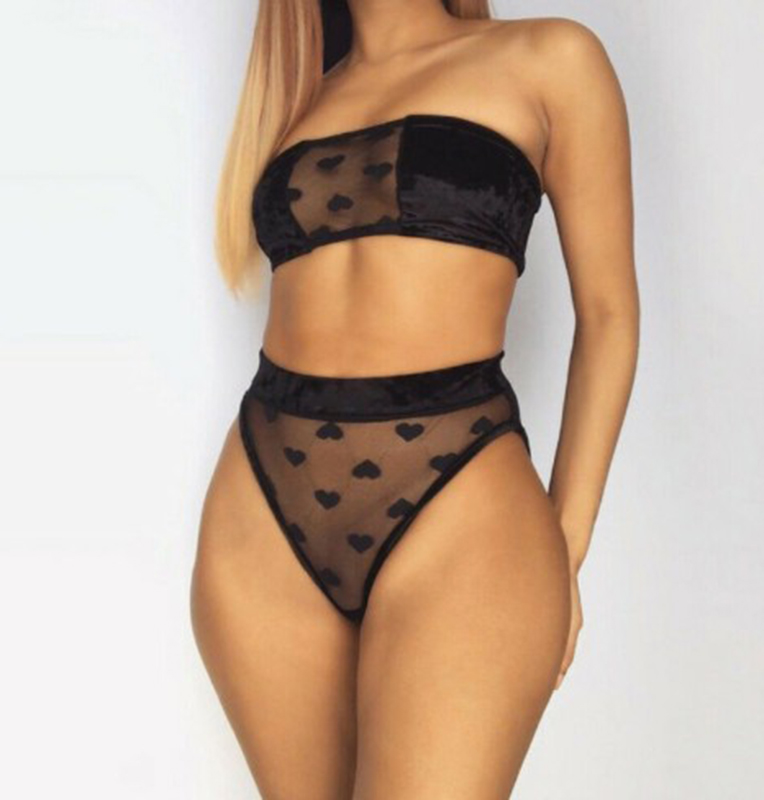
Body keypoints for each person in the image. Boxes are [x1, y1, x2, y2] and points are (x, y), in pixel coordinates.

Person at [191, 1, 639, 797]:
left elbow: (608, 319)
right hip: (262, 501)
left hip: (459, 480)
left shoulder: (551, 57)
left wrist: (563, 551)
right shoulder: (296, 101)